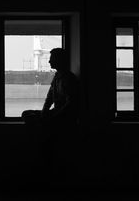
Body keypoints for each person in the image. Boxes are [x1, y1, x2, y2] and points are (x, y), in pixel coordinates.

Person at [21, 48, 80, 187]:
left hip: (63, 119)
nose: (48, 61)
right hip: (55, 114)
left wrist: (51, 117)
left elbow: (71, 104)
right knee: (26, 114)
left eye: (52, 58)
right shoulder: (59, 76)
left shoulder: (68, 79)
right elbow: (49, 97)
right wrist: (43, 113)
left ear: (60, 60)